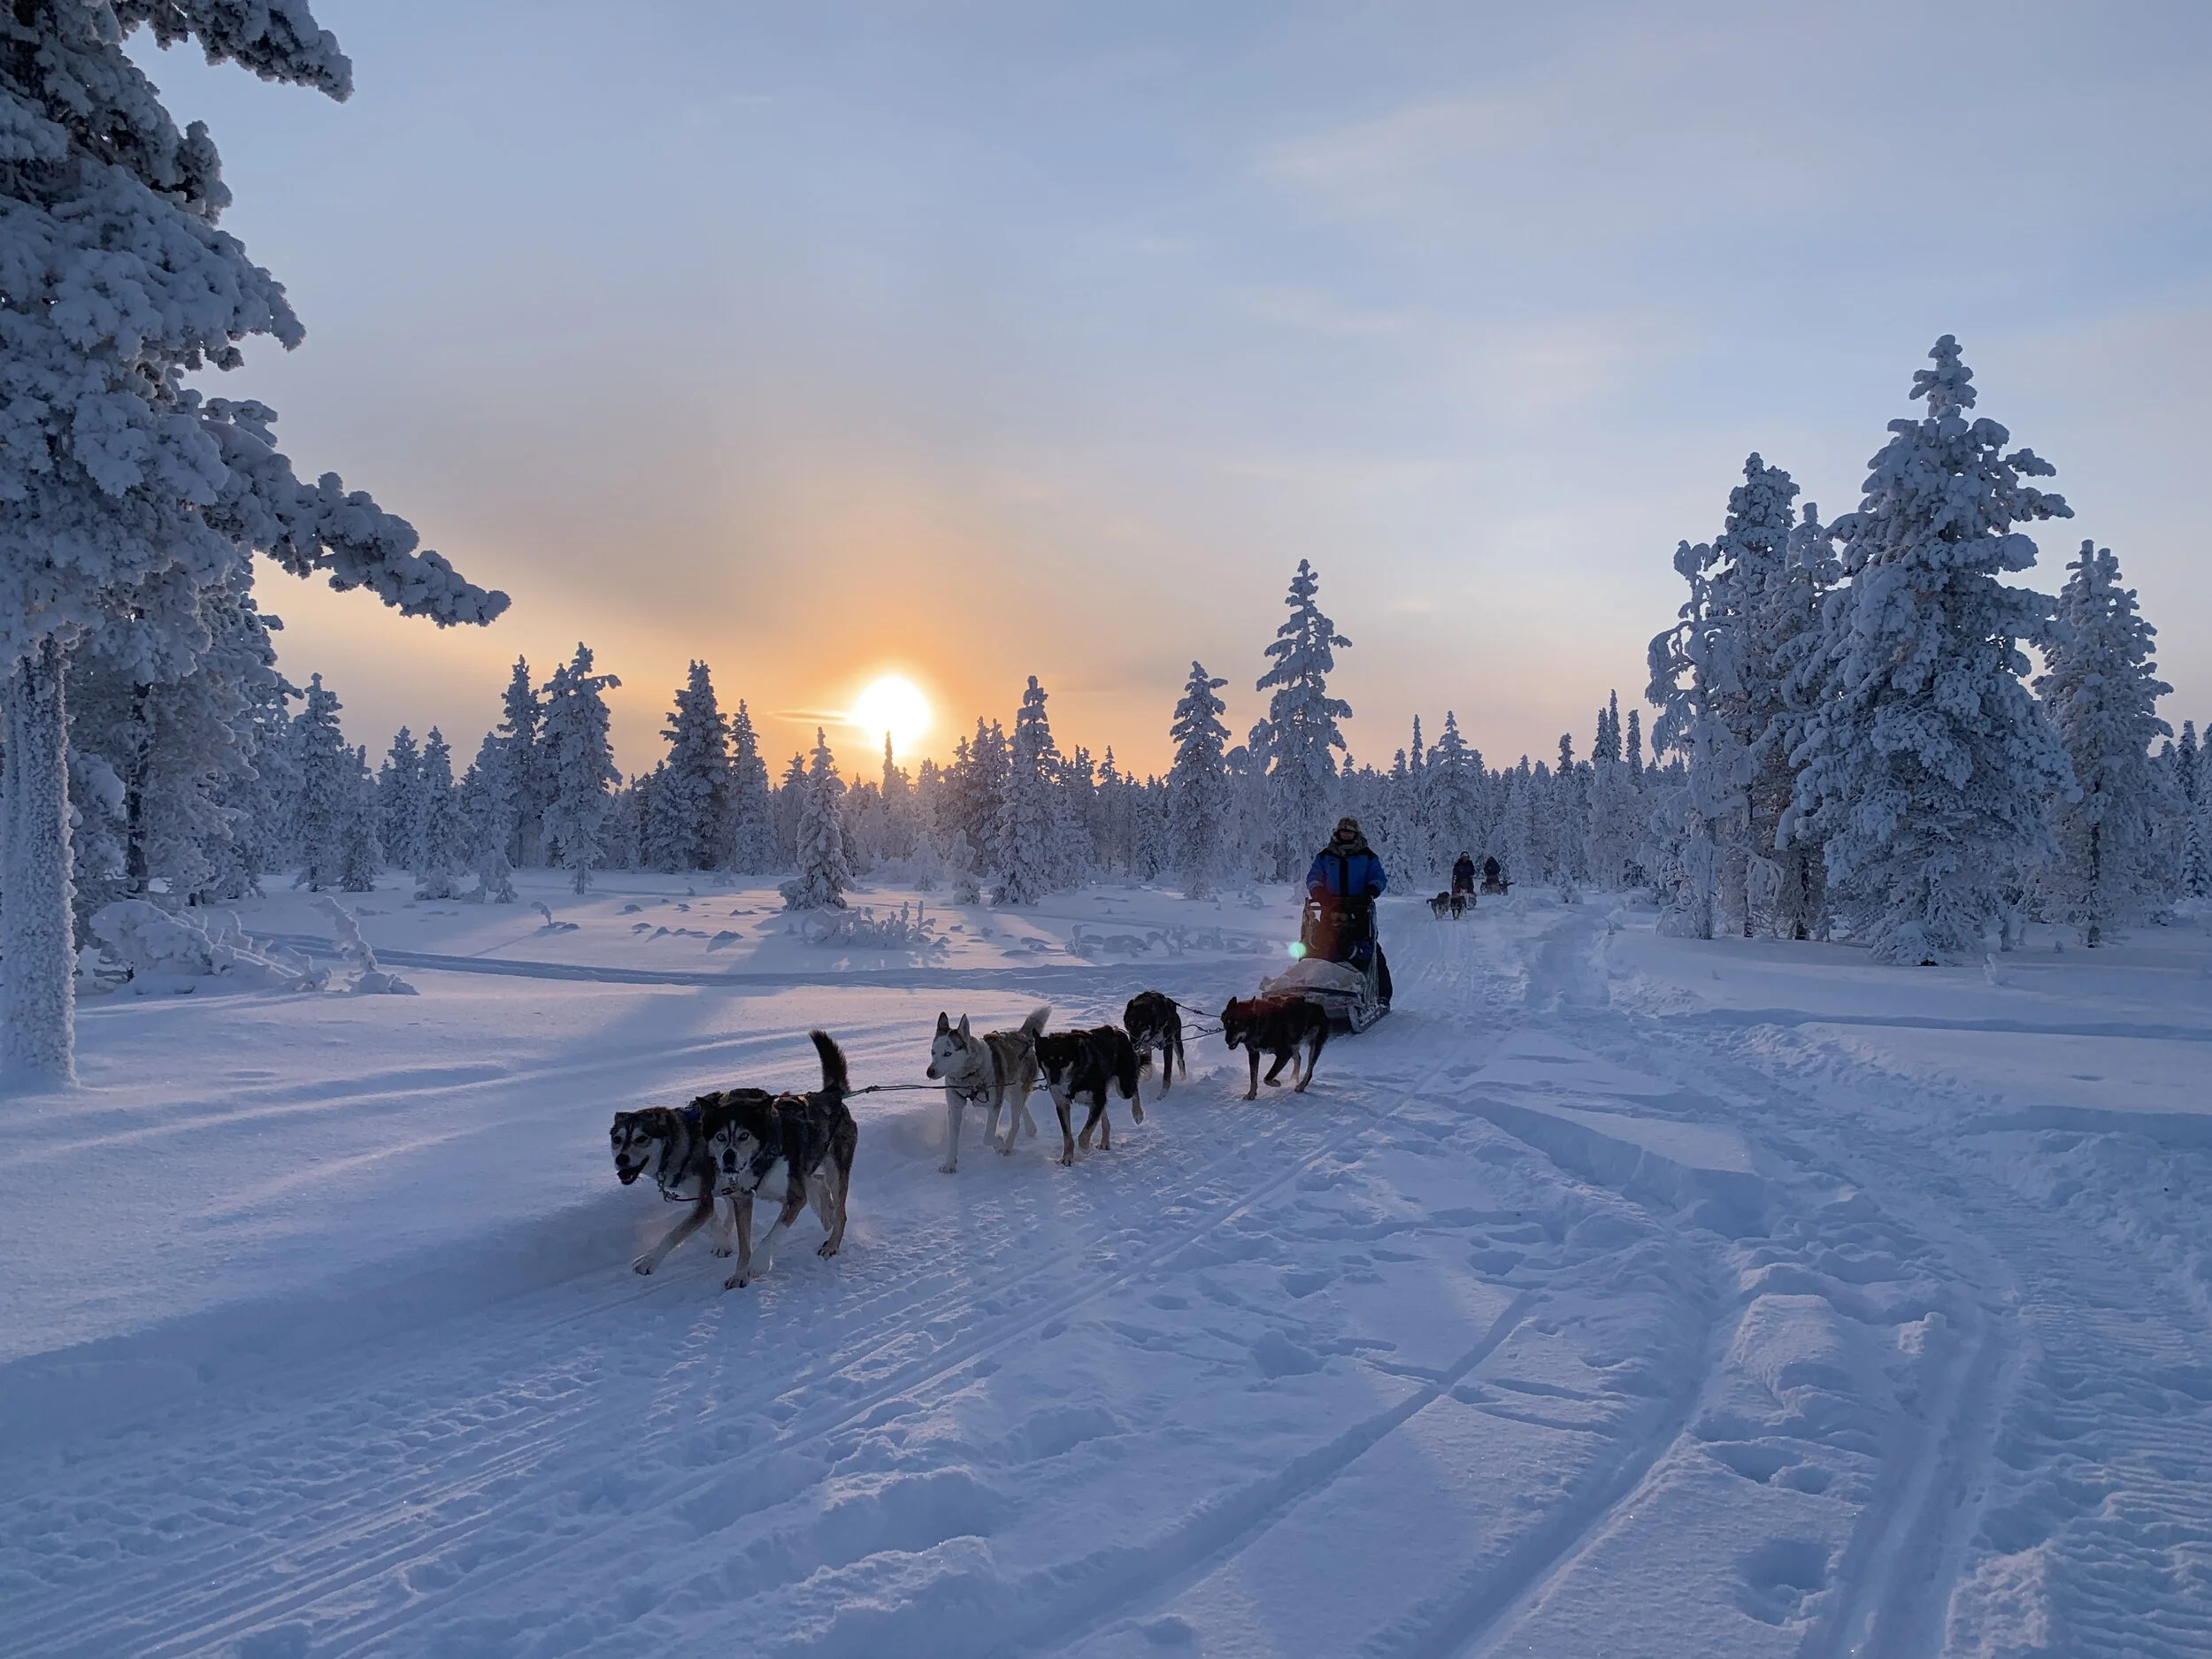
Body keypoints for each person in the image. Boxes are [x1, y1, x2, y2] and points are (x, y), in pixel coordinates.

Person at [1305, 818, 1391, 1004]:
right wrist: (1319, 891)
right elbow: (1314, 877)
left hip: (1359, 909)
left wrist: (1370, 891)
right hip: (1330, 907)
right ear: (1338, 833)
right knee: (1319, 944)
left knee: (1368, 948)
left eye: (1349, 832)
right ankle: (1308, 984)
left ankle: (1382, 993)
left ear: (1355, 834)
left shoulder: (1367, 856)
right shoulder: (1325, 856)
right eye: (1343, 831)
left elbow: (1378, 877)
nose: (1346, 834)